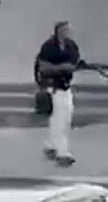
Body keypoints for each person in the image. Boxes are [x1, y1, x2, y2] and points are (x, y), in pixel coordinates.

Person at [34, 21, 82, 167]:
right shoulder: (49, 47)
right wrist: (62, 68)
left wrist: (71, 68)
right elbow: (43, 68)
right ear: (58, 31)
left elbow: (75, 63)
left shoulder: (71, 46)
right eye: (64, 30)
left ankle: (51, 145)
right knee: (59, 120)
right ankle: (63, 152)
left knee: (65, 118)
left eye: (68, 30)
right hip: (52, 86)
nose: (67, 32)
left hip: (65, 86)